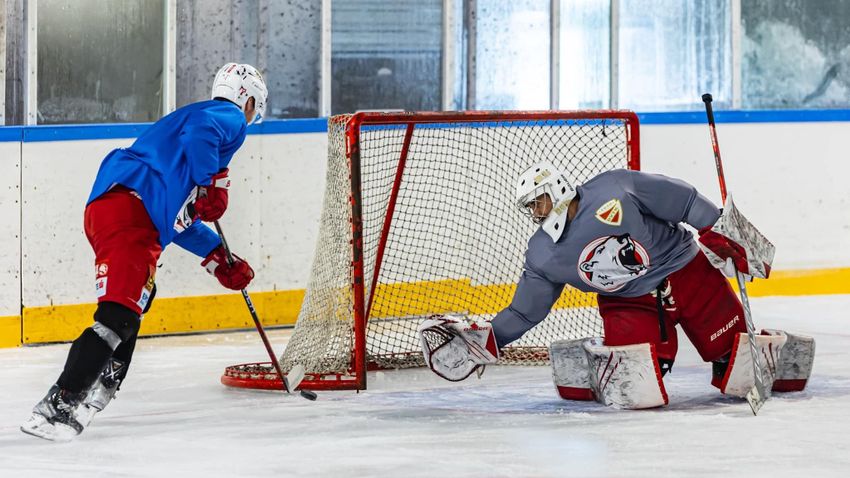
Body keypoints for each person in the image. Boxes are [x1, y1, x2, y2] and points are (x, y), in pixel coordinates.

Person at [418, 161, 814, 409]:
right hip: (630, 303)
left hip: (688, 274)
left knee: (738, 373)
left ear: (555, 189)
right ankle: (593, 363)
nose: (535, 213)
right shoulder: (543, 252)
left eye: (537, 202)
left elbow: (683, 200)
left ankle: (776, 349)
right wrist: (491, 339)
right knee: (637, 390)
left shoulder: (615, 187)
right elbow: (527, 309)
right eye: (530, 208)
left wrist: (717, 229)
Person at [21, 63, 268, 441]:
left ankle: (99, 384)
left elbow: (178, 220)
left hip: (119, 210)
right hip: (132, 210)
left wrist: (219, 256)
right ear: (248, 99)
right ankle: (59, 406)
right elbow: (203, 132)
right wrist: (212, 183)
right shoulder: (227, 116)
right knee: (117, 317)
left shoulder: (179, 149)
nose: (249, 117)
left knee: (135, 304)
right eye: (253, 109)